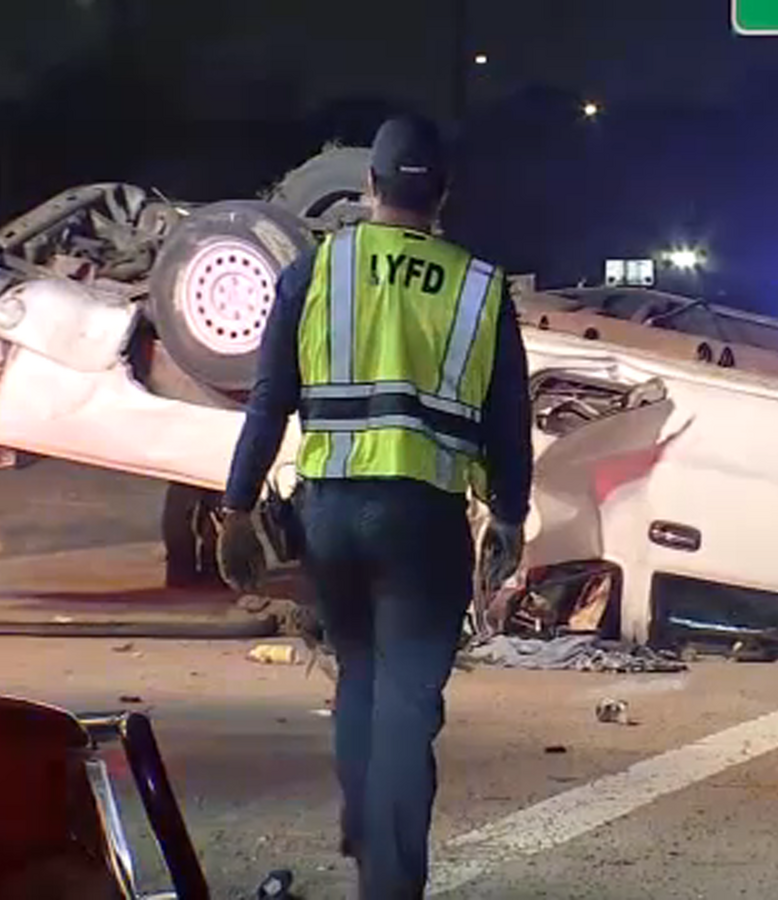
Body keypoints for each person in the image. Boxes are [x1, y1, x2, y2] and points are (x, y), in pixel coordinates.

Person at [216, 113, 533, 898]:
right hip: (424, 520)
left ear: (369, 185)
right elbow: (508, 422)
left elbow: (268, 401)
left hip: (330, 515)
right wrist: (509, 514)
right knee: (408, 705)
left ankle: (366, 828)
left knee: (358, 674)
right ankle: (388, 880)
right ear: (444, 194)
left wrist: (236, 508)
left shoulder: (315, 270)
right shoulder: (479, 288)